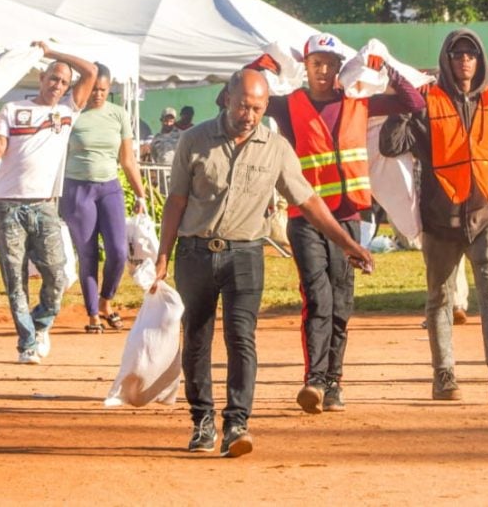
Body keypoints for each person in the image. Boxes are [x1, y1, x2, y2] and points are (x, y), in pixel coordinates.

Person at [154, 68, 374, 458]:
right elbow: (176, 202)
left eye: (257, 108)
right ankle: (202, 419)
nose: (249, 115)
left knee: (242, 338)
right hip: (195, 253)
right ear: (226, 98)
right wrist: (161, 256)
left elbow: (308, 201)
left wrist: (346, 244)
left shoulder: (276, 148)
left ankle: (237, 422)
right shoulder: (194, 139)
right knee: (198, 337)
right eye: (243, 106)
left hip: (245, 255)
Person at [248, 32, 423, 414]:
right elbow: (238, 97)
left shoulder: (359, 103)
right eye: (316, 64)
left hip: (350, 220)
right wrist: (264, 64)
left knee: (342, 303)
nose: (323, 71)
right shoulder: (288, 105)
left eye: (330, 64)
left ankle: (334, 383)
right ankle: (313, 380)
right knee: (318, 298)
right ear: (305, 68)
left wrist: (386, 66)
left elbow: (414, 101)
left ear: (339, 68)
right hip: (307, 218)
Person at [380, 28, 488, 403]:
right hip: (440, 220)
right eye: (457, 54)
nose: (465, 60)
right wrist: (403, 109)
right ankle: (444, 376)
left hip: (487, 215)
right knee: (440, 297)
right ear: (446, 60)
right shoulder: (426, 101)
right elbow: (391, 147)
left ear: (480, 60)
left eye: (471, 54)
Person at [0, 42, 97, 364]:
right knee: (15, 278)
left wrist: (54, 52)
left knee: (56, 274)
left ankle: (41, 322)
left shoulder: (67, 111)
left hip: (45, 205)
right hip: (8, 205)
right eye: (53, 78)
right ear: (41, 78)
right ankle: (27, 343)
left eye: (63, 81)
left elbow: (90, 71)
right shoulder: (13, 109)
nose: (57, 85)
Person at [59, 64, 147, 334]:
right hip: (77, 189)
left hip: (109, 188)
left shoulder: (118, 115)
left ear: (110, 90)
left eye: (103, 90)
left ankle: (106, 300)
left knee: (119, 252)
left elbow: (128, 159)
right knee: (88, 254)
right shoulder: (70, 113)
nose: (97, 94)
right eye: (93, 89)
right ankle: (93, 313)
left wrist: (140, 194)